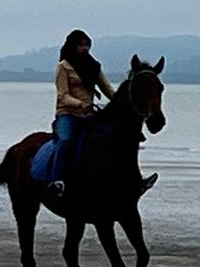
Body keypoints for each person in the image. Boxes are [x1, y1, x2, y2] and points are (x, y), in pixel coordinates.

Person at [45, 29, 157, 198]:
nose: (85, 48)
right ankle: (57, 181)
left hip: (88, 115)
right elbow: (63, 95)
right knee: (66, 140)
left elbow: (107, 89)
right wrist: (82, 104)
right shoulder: (63, 67)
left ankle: (133, 179)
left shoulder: (94, 66)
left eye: (87, 45)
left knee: (118, 137)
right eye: (81, 45)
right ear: (72, 46)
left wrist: (122, 102)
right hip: (67, 114)